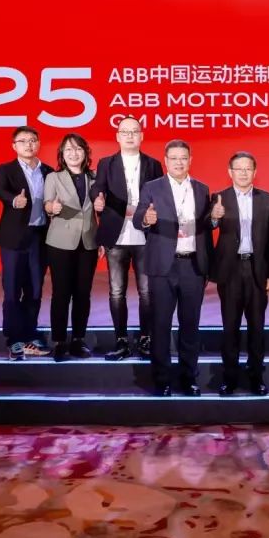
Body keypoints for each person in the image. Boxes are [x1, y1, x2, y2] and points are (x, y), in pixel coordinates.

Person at [134, 140, 214, 396]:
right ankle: (162, 380)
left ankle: (189, 378)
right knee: (160, 325)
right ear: (166, 161)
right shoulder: (152, 187)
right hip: (162, 267)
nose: (179, 162)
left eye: (184, 158)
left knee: (190, 325)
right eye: (174, 158)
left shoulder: (202, 189)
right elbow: (137, 218)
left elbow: (206, 226)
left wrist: (214, 219)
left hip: (192, 265)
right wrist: (146, 219)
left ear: (190, 160)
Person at [91, 117, 164, 361]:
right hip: (116, 234)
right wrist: (97, 199)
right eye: (125, 132)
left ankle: (146, 339)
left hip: (145, 236)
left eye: (134, 131)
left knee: (147, 292)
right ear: (117, 136)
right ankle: (121, 340)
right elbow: (97, 187)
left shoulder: (153, 164)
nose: (130, 136)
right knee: (116, 291)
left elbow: (160, 196)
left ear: (142, 136)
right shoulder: (106, 163)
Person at [209, 151, 269, 397]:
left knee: (257, 328)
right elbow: (208, 225)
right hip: (230, 271)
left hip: (257, 270)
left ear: (254, 172)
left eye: (247, 168)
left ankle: (256, 377)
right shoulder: (219, 197)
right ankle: (229, 378)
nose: (243, 173)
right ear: (230, 172)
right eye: (238, 169)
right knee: (230, 327)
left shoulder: (267, 199)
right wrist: (214, 218)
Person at [0, 126, 53, 360]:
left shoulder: (49, 171)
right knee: (12, 291)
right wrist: (13, 200)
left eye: (33, 140)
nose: (29, 144)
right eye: (23, 141)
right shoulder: (5, 169)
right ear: (14, 146)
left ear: (38, 144)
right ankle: (13, 339)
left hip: (40, 238)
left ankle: (29, 335)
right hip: (13, 239)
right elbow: (1, 191)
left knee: (35, 291)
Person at [43, 133, 100, 362]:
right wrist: (52, 207)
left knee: (83, 293)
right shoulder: (54, 177)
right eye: (68, 150)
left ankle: (78, 339)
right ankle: (59, 341)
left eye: (78, 149)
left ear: (85, 153)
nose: (73, 153)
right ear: (62, 154)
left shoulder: (95, 177)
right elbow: (47, 203)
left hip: (88, 241)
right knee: (61, 293)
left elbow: (100, 209)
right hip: (60, 242)